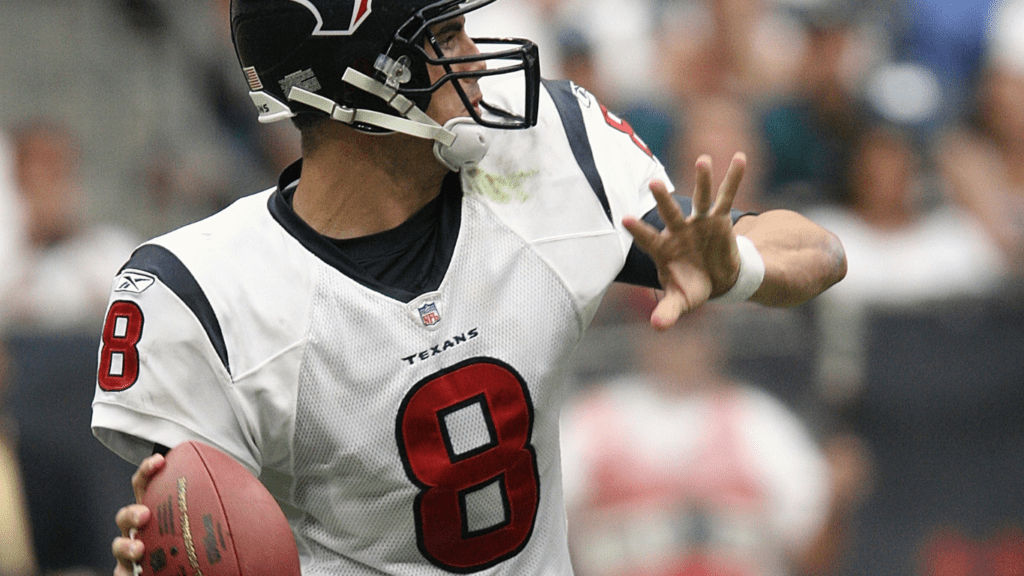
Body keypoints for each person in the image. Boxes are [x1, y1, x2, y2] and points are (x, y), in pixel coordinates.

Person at [94, 1, 846, 575]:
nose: (478, 59)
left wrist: (734, 263)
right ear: (355, 74)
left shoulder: (545, 155)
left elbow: (820, 253)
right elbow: (182, 529)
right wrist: (161, 548)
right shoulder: (199, 291)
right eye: (444, 37)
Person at [561, 300, 851, 576]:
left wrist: (837, 500)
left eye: (692, 331)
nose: (681, 345)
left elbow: (812, 552)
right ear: (641, 335)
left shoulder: (758, 420)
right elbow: (540, 535)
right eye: (666, 330)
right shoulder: (589, 422)